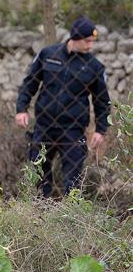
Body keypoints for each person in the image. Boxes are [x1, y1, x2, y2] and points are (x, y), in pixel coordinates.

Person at [15, 16, 111, 197]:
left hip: (73, 131)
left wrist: (101, 129)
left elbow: (102, 101)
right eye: (87, 41)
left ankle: (69, 219)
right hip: (44, 127)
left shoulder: (94, 67)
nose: (90, 46)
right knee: (38, 174)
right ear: (75, 37)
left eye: (93, 42)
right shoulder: (48, 55)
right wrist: (21, 109)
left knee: (73, 181)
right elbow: (30, 84)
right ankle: (39, 213)